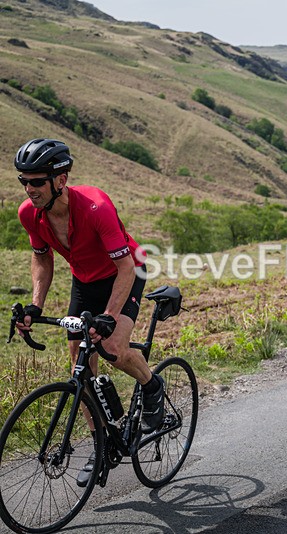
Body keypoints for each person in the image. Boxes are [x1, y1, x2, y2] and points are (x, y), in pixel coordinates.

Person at [14, 138, 165, 486]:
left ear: (60, 180)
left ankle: (152, 385)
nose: (29, 188)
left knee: (111, 348)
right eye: (24, 181)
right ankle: (101, 448)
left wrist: (109, 316)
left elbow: (126, 269)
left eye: (36, 181)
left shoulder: (96, 206)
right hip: (85, 282)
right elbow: (42, 257)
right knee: (81, 368)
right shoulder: (29, 213)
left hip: (126, 272)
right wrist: (36, 306)